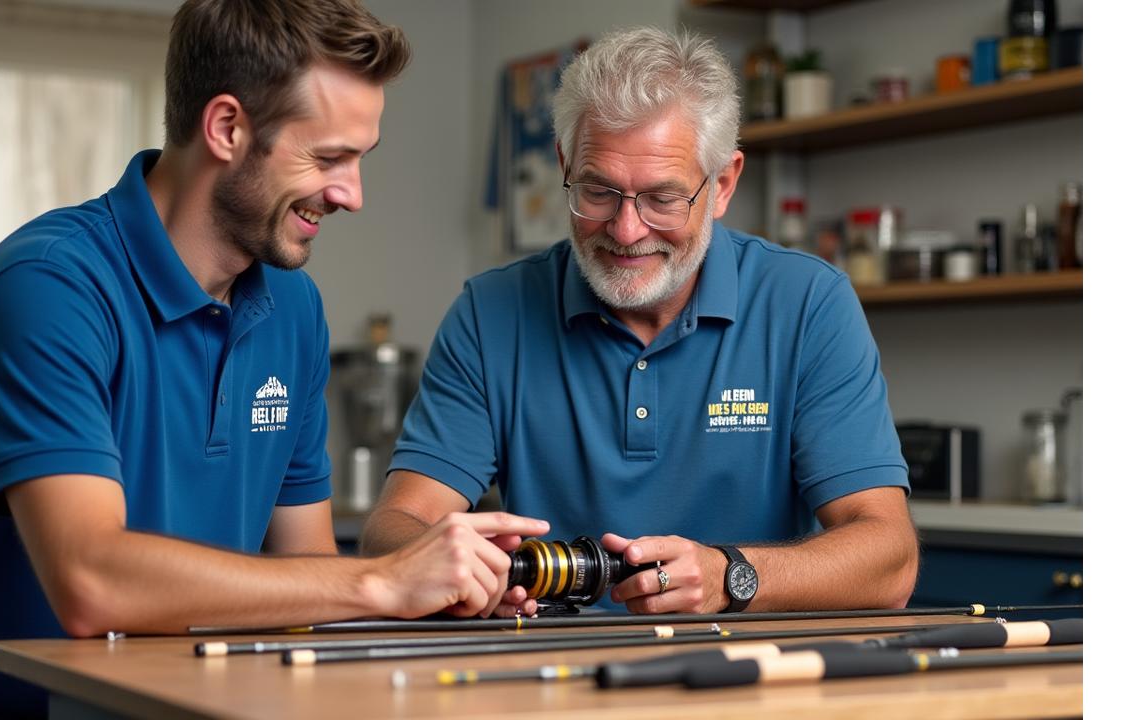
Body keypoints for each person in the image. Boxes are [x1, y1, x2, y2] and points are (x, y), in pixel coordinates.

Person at [0, 2, 546, 717]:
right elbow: (91, 582)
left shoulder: (294, 311)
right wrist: (381, 581)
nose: (351, 195)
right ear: (227, 127)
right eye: (328, 157)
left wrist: (431, 597)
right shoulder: (48, 286)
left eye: (360, 159)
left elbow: (307, 572)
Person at [361, 26, 918, 618]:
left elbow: (891, 560)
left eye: (662, 198)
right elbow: (394, 529)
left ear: (723, 184)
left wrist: (731, 574)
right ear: (564, 164)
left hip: (747, 683)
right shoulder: (489, 312)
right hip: (548, 683)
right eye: (598, 191)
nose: (626, 231)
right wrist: (457, 576)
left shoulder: (808, 304)